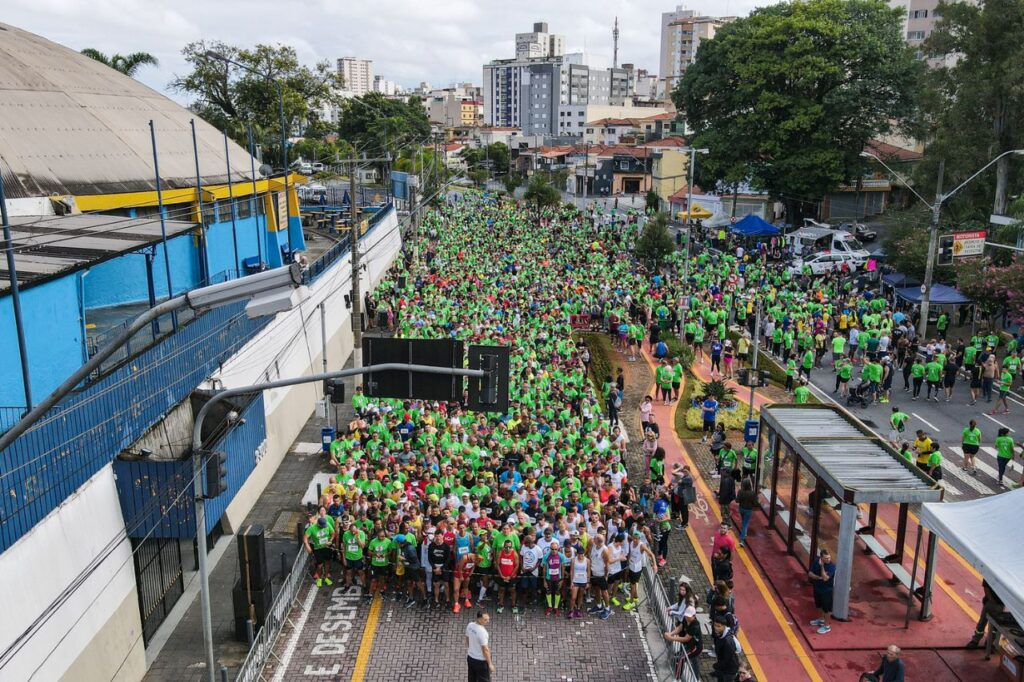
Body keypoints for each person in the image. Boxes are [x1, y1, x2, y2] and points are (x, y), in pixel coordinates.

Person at [809, 548, 836, 635]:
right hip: (817, 588)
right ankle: (820, 620)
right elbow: (810, 573)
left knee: (827, 609)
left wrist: (822, 566)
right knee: (818, 605)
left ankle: (827, 626)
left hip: (826, 591)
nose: (828, 559)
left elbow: (825, 578)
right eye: (826, 558)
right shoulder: (816, 561)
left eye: (829, 557)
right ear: (821, 558)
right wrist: (818, 578)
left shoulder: (831, 567)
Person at [465, 611, 495, 682]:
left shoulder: (470, 625)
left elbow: (467, 638)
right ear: (479, 619)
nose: (488, 621)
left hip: (470, 658)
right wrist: (490, 664)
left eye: (488, 619)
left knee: (472, 678)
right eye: (485, 620)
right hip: (480, 661)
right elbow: (485, 649)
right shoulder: (482, 632)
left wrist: (472, 648)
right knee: (484, 679)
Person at [711, 616, 742, 682]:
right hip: (723, 666)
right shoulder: (720, 633)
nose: (716, 628)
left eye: (719, 626)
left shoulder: (728, 642)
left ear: (724, 626)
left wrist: (717, 666)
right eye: (715, 625)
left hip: (729, 670)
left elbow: (727, 659)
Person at [736, 479, 757, 547]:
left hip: (741, 508)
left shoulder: (740, 491)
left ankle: (744, 532)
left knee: (743, 521)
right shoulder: (752, 493)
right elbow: (755, 503)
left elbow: (737, 501)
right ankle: (742, 540)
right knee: (745, 523)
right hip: (748, 510)